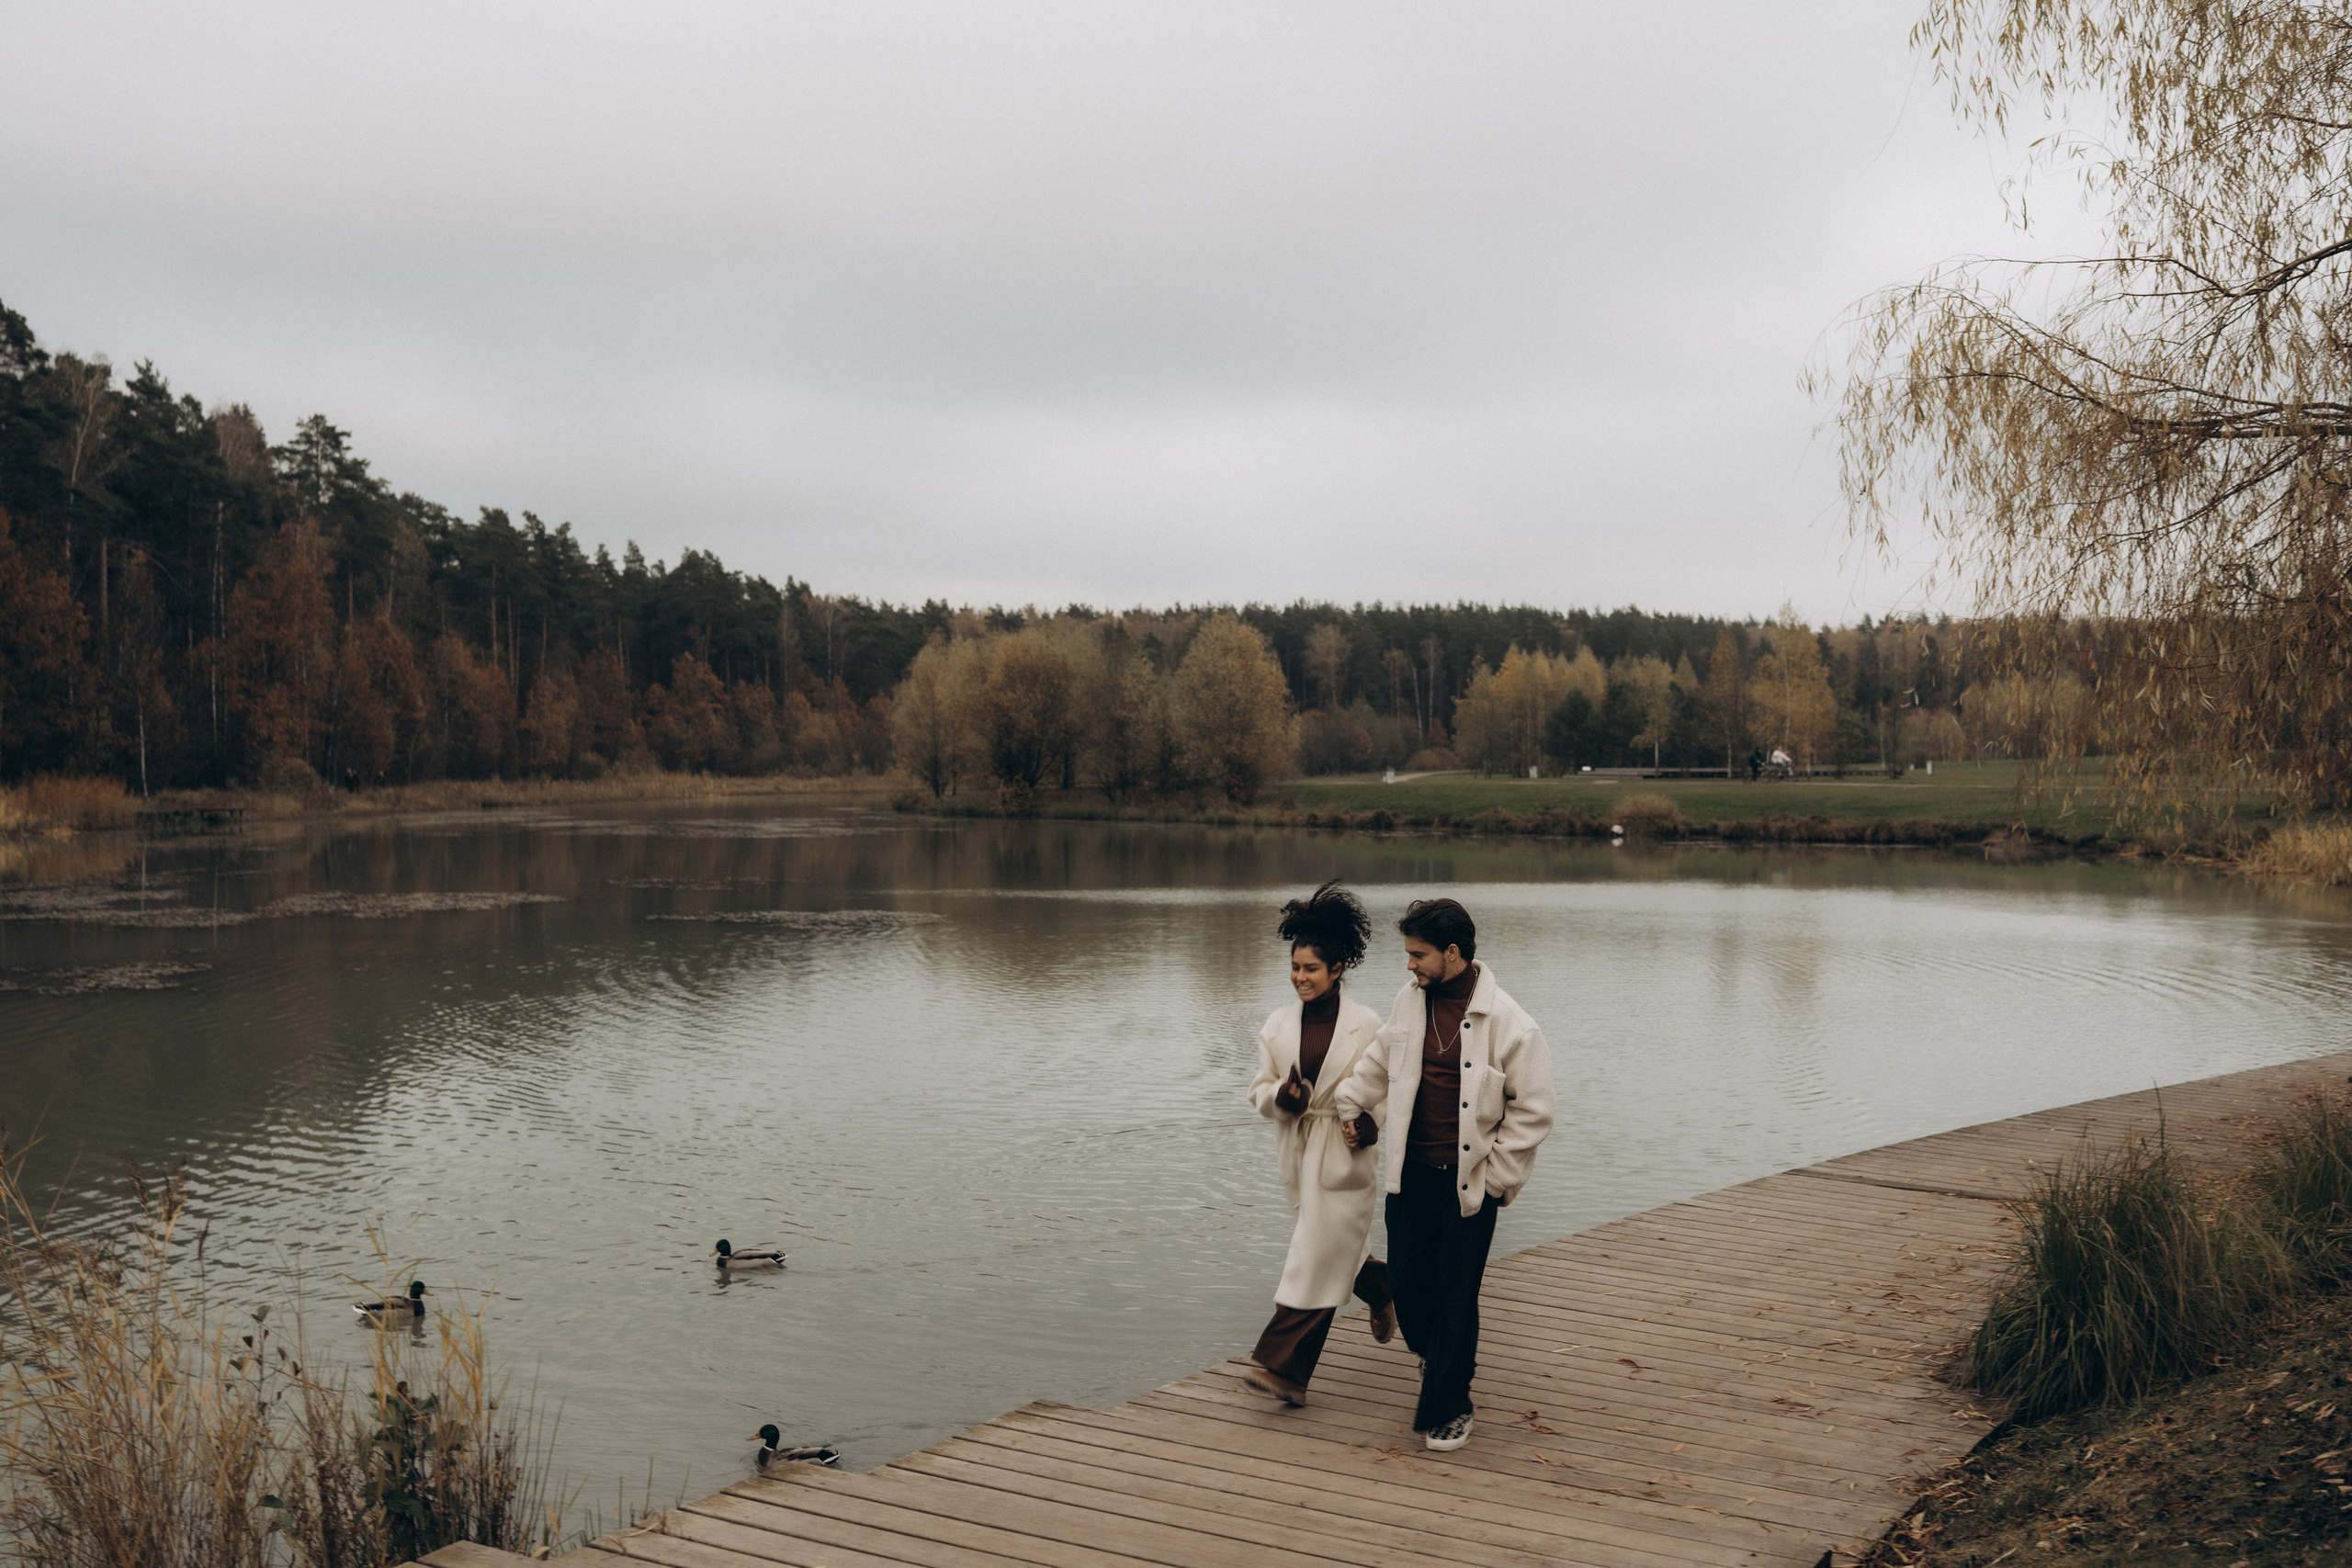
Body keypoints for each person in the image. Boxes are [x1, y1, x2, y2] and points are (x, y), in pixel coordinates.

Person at [1337, 897, 1553, 1451]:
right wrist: (1351, 1105)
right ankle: (1440, 1361)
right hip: (1410, 1179)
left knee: (1457, 1295)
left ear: (1452, 953)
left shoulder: (1511, 1024)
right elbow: (1377, 1064)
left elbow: (1533, 1109)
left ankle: (1451, 1405)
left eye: (1418, 954)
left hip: (1469, 1187)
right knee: (1408, 1287)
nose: (1409, 965)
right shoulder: (1409, 1005)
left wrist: (1498, 1179)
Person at [1241, 880, 1396, 1407]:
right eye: (1294, 968)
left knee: (1313, 1254)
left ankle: (1284, 1367)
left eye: (1310, 968)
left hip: (1345, 1150)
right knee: (1331, 1247)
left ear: (1336, 971)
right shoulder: (1276, 1026)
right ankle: (1382, 1287)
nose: (1299, 978)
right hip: (1298, 1147)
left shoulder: (1368, 1025)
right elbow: (1258, 1090)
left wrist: (1369, 1124)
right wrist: (1282, 1099)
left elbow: (1383, 1089)